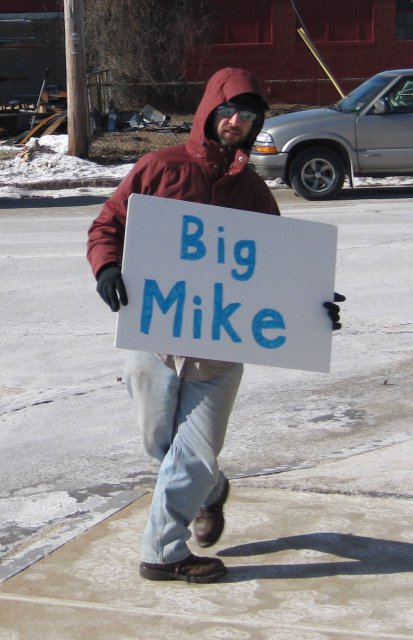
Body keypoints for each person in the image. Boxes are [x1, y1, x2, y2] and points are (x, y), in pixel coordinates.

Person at [87, 67, 343, 584]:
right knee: (161, 446)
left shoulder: (251, 189)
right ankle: (211, 490)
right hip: (153, 334)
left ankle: (162, 551)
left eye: (248, 116)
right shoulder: (159, 167)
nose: (237, 122)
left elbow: (278, 262)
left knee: (195, 450)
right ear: (210, 112)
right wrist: (108, 265)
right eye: (229, 111)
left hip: (219, 346)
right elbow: (107, 225)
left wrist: (310, 303)